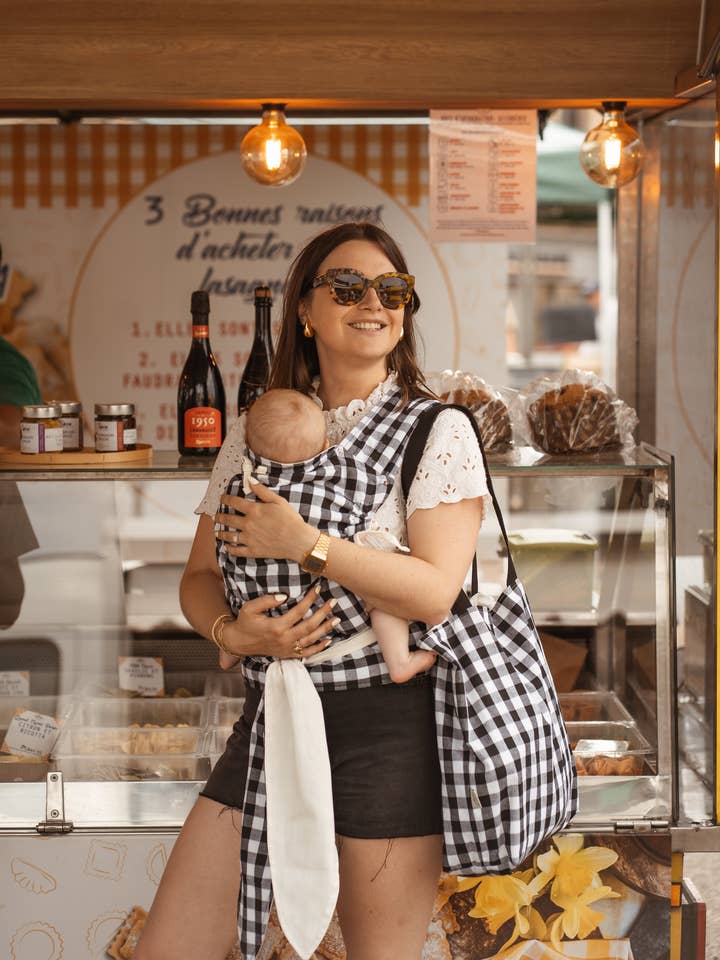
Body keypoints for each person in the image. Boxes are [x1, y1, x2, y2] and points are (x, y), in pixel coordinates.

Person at [136, 222, 488, 960]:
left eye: (393, 291)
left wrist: (308, 546)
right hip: (271, 719)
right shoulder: (251, 431)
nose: (375, 304)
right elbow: (200, 579)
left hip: (389, 732)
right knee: (169, 948)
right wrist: (231, 634)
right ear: (305, 310)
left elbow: (433, 594)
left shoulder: (437, 429)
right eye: (348, 288)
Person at [220, 386, 437, 683]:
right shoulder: (337, 475)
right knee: (382, 594)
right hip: (326, 611)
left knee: (231, 563)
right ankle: (399, 660)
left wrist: (229, 632)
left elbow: (220, 538)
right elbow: (377, 489)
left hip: (256, 605)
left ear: (248, 448)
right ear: (325, 443)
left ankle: (231, 647)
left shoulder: (238, 486)